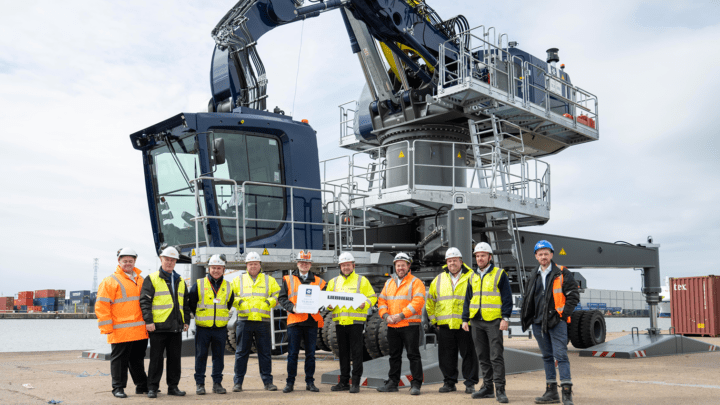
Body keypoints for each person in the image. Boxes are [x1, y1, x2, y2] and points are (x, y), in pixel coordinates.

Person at [520, 240, 579, 405]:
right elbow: (528, 297)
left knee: (561, 355)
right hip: (538, 322)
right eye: (540, 254)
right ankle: (551, 391)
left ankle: (567, 392)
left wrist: (562, 315)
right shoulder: (534, 274)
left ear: (552, 255)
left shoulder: (562, 272)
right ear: (536, 256)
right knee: (547, 357)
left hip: (556, 321)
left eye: (546, 253)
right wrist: (528, 317)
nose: (543, 256)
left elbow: (573, 296)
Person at [462, 242, 512, 403]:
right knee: (482, 356)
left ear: (490, 257)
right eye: (477, 256)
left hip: (493, 321)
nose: (480, 258)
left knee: (496, 356)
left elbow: (506, 297)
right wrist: (465, 319)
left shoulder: (499, 274)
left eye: (483, 255)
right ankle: (488, 388)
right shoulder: (472, 276)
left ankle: (500, 390)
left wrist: (505, 317)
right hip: (476, 320)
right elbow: (468, 299)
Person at [96, 248, 149, 398]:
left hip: (139, 330)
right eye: (124, 261)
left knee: (137, 359)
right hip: (120, 330)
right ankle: (118, 388)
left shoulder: (141, 279)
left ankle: (142, 386)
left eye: (130, 261)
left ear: (135, 262)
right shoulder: (110, 281)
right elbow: (101, 305)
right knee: (119, 361)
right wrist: (106, 327)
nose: (127, 263)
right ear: (119, 261)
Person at [426, 247, 479, 395]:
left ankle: (470, 383)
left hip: (465, 325)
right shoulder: (439, 279)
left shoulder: (472, 277)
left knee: (468, 355)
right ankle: (449, 382)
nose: (452, 263)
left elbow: (476, 299)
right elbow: (430, 302)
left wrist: (471, 319)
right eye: (449, 261)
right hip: (444, 324)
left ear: (461, 262)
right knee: (446, 356)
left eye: (455, 260)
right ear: (446, 263)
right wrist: (434, 321)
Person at [140, 246, 190, 398]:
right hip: (158, 327)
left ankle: (173, 387)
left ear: (176, 262)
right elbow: (145, 302)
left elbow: (185, 304)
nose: (169, 262)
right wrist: (148, 321)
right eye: (167, 259)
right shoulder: (152, 278)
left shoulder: (181, 280)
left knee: (175, 360)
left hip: (176, 327)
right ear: (161, 260)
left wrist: (186, 321)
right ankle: (152, 388)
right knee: (156, 360)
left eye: (172, 260)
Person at [327, 252, 377, 394]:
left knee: (356, 353)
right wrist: (329, 305)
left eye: (348, 265)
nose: (346, 267)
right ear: (340, 267)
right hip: (340, 323)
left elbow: (372, 297)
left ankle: (355, 383)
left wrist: (365, 304)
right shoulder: (333, 282)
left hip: (355, 322)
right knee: (343, 353)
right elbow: (327, 300)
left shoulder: (362, 281)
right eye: (343, 265)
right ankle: (343, 382)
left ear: (353, 265)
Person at [277, 250, 327, 393]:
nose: (304, 264)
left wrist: (321, 306)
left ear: (310, 264)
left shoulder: (320, 281)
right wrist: (292, 308)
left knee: (310, 354)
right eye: (301, 262)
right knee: (292, 354)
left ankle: (310, 382)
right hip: (295, 321)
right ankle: (290, 383)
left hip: (311, 321)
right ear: (297, 264)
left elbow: (325, 298)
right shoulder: (288, 279)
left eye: (307, 262)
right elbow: (282, 298)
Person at [376, 253, 425, 396]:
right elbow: (382, 301)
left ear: (408, 266)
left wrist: (401, 315)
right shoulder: (389, 282)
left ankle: (416, 384)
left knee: (413, 355)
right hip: (393, 325)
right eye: (398, 265)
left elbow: (417, 302)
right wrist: (386, 316)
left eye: (403, 265)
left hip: (410, 324)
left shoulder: (416, 282)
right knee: (394, 356)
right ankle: (393, 383)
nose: (400, 267)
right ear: (395, 266)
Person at [231, 251, 280, 392]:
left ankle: (268, 383)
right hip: (244, 321)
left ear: (260, 265)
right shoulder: (238, 280)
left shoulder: (268, 280)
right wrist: (239, 302)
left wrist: (268, 302)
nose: (253, 266)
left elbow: (277, 295)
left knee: (264, 353)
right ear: (246, 265)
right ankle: (238, 383)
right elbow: (230, 296)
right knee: (241, 352)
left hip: (262, 321)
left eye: (256, 264)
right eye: (250, 264)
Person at [188, 254, 234, 395]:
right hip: (203, 328)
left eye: (219, 268)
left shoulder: (228, 286)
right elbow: (191, 303)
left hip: (220, 328)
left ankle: (217, 384)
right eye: (213, 268)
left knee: (218, 357)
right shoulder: (199, 283)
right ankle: (200, 384)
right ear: (209, 268)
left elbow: (229, 304)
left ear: (224, 269)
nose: (216, 270)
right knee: (201, 356)